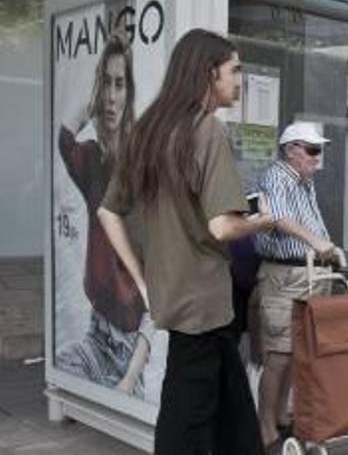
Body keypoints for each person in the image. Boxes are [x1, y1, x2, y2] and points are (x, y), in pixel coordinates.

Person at [98, 29, 275, 455]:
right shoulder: (205, 130)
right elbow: (222, 227)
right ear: (209, 73)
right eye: (234, 71)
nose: (237, 80)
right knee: (185, 424)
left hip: (187, 304)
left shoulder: (147, 131)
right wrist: (263, 221)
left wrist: (144, 281)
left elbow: (108, 211)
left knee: (234, 419)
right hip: (203, 308)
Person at [54, 35, 150, 397]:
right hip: (96, 336)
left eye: (120, 84)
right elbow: (65, 138)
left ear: (129, 93)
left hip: (128, 348)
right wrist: (91, 101)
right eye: (105, 84)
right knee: (64, 369)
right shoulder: (92, 158)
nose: (111, 96)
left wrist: (131, 374)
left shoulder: (139, 161)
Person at [250, 121, 344, 450]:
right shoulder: (277, 175)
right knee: (278, 354)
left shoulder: (304, 180)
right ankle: (266, 429)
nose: (317, 158)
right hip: (285, 276)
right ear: (291, 150)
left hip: (310, 274)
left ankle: (281, 419)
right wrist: (317, 241)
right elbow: (277, 218)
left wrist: (327, 250)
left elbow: (307, 219)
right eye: (312, 150)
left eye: (319, 151)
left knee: (295, 353)